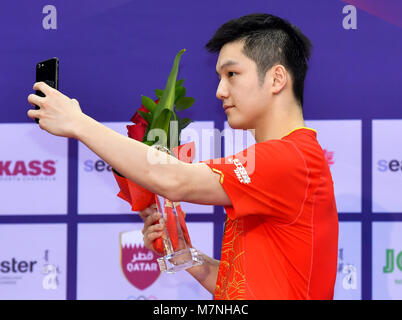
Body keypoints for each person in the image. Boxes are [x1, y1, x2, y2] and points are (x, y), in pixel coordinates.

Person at [27, 13, 338, 300]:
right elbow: (241, 286)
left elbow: (174, 180)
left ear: (276, 79)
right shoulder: (286, 159)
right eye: (221, 76)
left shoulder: (291, 158)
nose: (220, 90)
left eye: (232, 74)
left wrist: (78, 123)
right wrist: (187, 255)